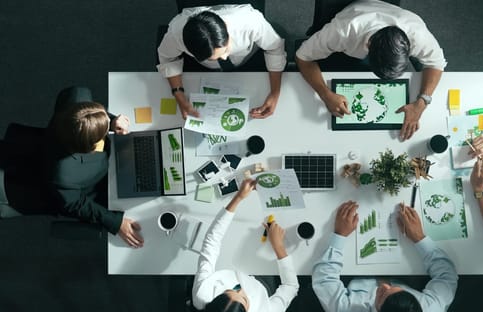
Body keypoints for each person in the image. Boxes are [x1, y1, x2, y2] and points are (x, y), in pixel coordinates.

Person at [0, 86, 144, 248]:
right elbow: (74, 204)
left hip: (30, 154)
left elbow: (76, 92)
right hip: (29, 187)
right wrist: (116, 223)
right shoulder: (63, 173)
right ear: (86, 148)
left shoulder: (76, 99)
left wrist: (109, 122)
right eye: (101, 135)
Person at [295, 0, 447, 141]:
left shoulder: (417, 33)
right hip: (353, 14)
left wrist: (422, 102)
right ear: (367, 46)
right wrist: (325, 94)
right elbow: (302, 57)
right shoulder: (343, 32)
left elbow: (437, 63)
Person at [312, 201, 458, 312]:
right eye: (399, 292)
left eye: (381, 295)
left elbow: (323, 279)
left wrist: (340, 235)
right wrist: (419, 237)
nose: (385, 286)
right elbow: (447, 275)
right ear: (418, 304)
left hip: (358, 272)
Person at [192, 178, 299, 312]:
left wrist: (238, 198)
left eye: (230, 291)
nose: (241, 288)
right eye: (244, 298)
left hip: (230, 266)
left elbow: (211, 243)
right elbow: (291, 286)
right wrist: (278, 246)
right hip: (263, 281)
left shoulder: (202, 294)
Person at [157, 4, 286, 119]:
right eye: (216, 57)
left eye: (225, 50)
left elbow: (274, 47)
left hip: (249, 58)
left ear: (226, 27)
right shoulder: (176, 33)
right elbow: (168, 58)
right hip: (205, 70)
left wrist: (275, 93)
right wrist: (179, 96)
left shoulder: (251, 22)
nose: (224, 57)